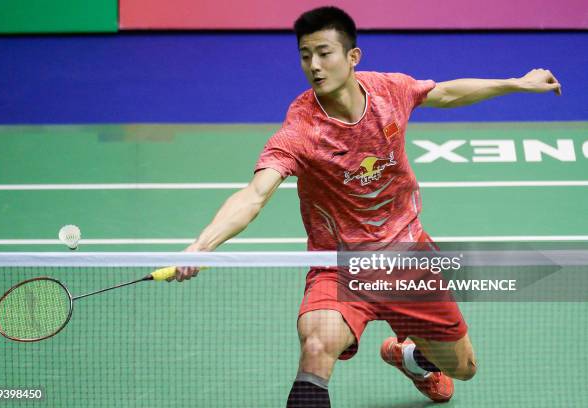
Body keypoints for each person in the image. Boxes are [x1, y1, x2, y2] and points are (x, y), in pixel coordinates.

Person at [170, 6, 561, 407]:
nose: (314, 66)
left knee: (464, 367)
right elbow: (254, 195)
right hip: (339, 267)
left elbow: (442, 92)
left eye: (325, 53)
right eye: (305, 55)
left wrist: (516, 84)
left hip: (408, 258)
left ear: (352, 57)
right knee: (318, 344)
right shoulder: (301, 131)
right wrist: (203, 245)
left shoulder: (387, 92)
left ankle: (410, 358)